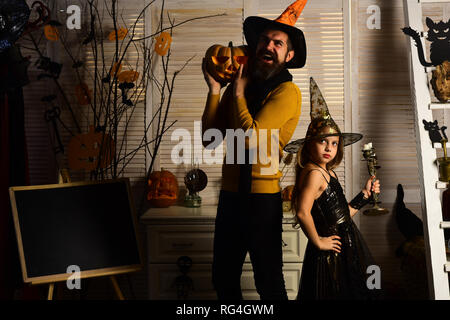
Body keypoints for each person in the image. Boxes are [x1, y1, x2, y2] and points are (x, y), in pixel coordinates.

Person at [201, 0, 308, 300]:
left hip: (262, 201)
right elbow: (211, 138)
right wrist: (214, 90)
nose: (268, 46)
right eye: (264, 39)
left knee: (269, 283)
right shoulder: (241, 86)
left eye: (278, 42)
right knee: (223, 280)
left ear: (289, 54)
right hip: (231, 197)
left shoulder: (288, 92)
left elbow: (250, 139)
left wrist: (236, 92)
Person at [286, 77, 383, 300]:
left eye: (334, 143)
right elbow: (302, 211)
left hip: (345, 245)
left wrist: (365, 195)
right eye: (323, 142)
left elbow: (342, 215)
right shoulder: (313, 174)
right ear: (309, 143)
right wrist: (319, 241)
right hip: (329, 253)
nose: (329, 148)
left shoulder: (327, 172)